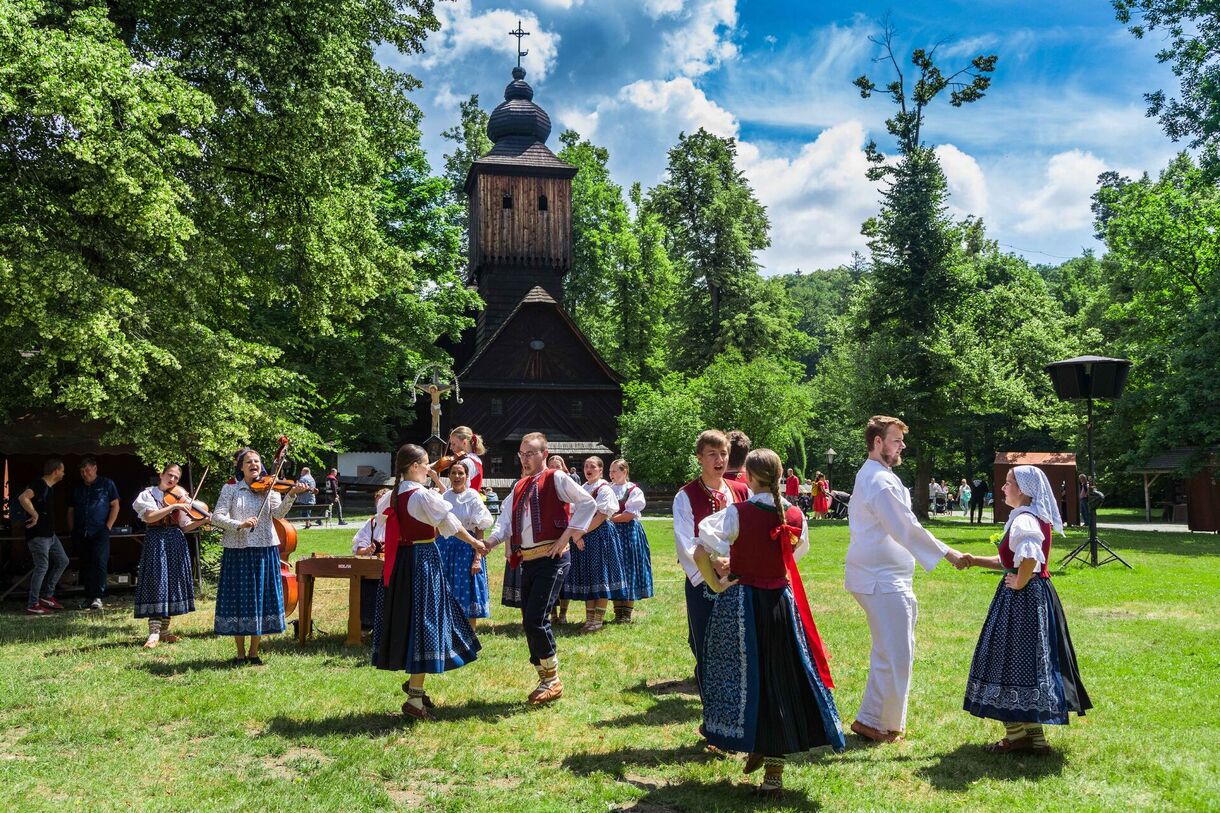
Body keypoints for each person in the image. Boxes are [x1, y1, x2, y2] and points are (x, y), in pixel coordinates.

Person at [695, 448, 845, 797]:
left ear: (748, 476)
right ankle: (773, 773)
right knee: (780, 679)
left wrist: (720, 578)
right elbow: (796, 553)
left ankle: (751, 741)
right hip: (781, 605)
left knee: (744, 676)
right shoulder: (793, 513)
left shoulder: (737, 513)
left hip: (742, 605)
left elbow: (702, 545)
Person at [956, 465, 1092, 753]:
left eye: (1008, 483)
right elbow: (1015, 558)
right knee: (1029, 664)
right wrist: (974, 560)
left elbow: (1029, 555)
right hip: (1034, 597)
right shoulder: (1031, 517)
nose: (1003, 488)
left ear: (1024, 490)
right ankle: (1035, 738)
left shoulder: (1025, 520)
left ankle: (1018, 737)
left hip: (1023, 600)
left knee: (1007, 662)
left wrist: (1019, 582)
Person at [845, 416, 964, 743]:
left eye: (901, 441)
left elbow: (903, 525)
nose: (902, 446)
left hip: (883, 577)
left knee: (892, 650)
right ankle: (880, 725)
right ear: (878, 442)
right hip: (879, 580)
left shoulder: (877, 476)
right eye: (896, 440)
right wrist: (947, 552)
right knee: (896, 652)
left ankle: (873, 720)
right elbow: (905, 527)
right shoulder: (879, 481)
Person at [372, 443, 486, 721]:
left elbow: (381, 525)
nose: (429, 468)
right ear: (413, 467)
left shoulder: (390, 496)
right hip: (422, 561)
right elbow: (450, 524)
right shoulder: (421, 496)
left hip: (400, 563)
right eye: (425, 464)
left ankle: (415, 688)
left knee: (410, 620)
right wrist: (474, 542)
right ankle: (414, 698)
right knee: (425, 622)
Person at [486, 432, 596, 705]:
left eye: (531, 453)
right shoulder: (520, 486)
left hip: (553, 558)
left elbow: (587, 503)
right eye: (522, 454)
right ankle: (544, 676)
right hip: (530, 560)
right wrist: (490, 542)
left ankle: (552, 680)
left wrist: (566, 537)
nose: (524, 459)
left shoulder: (556, 478)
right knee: (528, 620)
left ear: (544, 454)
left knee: (536, 618)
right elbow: (506, 520)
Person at [672, 430, 751, 715]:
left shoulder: (741, 491)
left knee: (737, 640)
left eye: (724, 454)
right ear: (699, 459)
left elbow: (750, 529)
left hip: (738, 578)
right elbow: (684, 540)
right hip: (702, 580)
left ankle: (738, 706)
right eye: (712, 454)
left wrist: (739, 561)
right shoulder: (686, 496)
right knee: (705, 642)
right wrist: (713, 563)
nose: (719, 460)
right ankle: (714, 712)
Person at [210, 447, 309, 664]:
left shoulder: (270, 488)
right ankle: (239, 653)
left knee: (260, 600)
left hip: (264, 548)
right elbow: (216, 517)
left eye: (257, 461)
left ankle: (254, 652)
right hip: (238, 551)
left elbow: (279, 514)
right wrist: (239, 524)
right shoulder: (231, 489)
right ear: (241, 467)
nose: (254, 465)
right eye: (249, 462)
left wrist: (291, 494)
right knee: (239, 601)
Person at [132, 463, 209, 647]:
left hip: (175, 540)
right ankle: (154, 633)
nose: (172, 479)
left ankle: (165, 630)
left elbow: (185, 526)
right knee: (157, 582)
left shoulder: (180, 498)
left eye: (175, 477)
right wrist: (174, 507)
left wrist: (203, 520)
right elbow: (151, 516)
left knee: (172, 583)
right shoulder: (148, 494)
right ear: (161, 474)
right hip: (156, 540)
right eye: (170, 475)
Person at [557, 456, 629, 633]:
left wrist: (580, 533)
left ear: (600, 470)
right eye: (586, 466)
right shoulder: (582, 488)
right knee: (589, 578)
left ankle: (598, 620)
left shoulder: (604, 489)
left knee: (600, 576)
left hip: (599, 535)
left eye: (592, 467)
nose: (588, 469)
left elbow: (601, 515)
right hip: (583, 536)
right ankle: (589, 619)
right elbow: (575, 513)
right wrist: (576, 536)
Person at [437, 460, 494, 628]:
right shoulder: (445, 496)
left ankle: (470, 632)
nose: (457, 476)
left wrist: (477, 558)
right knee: (445, 587)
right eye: (453, 473)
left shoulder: (473, 496)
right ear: (448, 476)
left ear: (467, 477)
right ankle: (448, 630)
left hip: (467, 547)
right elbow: (439, 526)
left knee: (467, 588)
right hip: (445, 547)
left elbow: (480, 528)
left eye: (461, 473)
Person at [17, 459, 69, 615]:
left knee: (62, 560)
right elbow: (23, 498)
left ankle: (47, 596)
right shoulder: (39, 484)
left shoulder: (49, 488)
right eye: (62, 470)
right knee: (42, 567)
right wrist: (34, 514)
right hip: (39, 535)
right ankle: (33, 603)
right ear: (55, 471)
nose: (64, 473)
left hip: (49, 535)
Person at [68, 456, 120, 610]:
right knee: (85, 564)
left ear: (95, 468)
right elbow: (70, 510)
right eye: (82, 471)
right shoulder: (77, 487)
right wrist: (71, 529)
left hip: (99, 531)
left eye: (88, 470)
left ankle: (98, 596)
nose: (85, 473)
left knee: (99, 562)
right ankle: (88, 596)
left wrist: (108, 527)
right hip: (80, 531)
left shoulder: (106, 484)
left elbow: (115, 505)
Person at [608, 459, 653, 624]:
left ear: (624, 471)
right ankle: (617, 612)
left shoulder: (634, 491)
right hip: (612, 533)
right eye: (610, 471)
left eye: (615, 471)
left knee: (629, 568)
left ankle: (626, 613)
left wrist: (608, 519)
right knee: (615, 569)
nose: (611, 474)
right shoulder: (608, 489)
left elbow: (628, 515)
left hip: (629, 533)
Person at [352, 488, 391, 634]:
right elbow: (358, 549)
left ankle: (386, 627)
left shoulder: (397, 521)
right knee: (365, 583)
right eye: (379, 501)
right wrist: (367, 550)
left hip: (392, 567)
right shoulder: (372, 522)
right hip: (372, 568)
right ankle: (366, 624)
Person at [448, 426, 485, 492]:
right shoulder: (476, 459)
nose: (451, 447)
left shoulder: (466, 462)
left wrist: (436, 479)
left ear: (464, 442)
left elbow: (459, 493)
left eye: (453, 444)